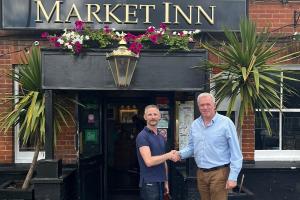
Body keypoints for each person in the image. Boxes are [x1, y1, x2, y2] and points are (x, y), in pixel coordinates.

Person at [174, 92, 243, 200]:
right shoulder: (195, 125)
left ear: (214, 105)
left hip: (219, 173)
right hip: (201, 173)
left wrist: (233, 177)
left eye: (208, 104)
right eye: (202, 105)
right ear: (198, 106)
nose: (205, 107)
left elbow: (236, 153)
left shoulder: (226, 123)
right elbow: (192, 147)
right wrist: (179, 154)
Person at [136, 105, 176, 200]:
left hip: (161, 182)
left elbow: (163, 161)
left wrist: (166, 181)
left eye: (155, 114)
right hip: (149, 183)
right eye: (149, 114)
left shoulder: (160, 137)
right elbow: (149, 161)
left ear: (159, 117)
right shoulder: (142, 136)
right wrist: (168, 155)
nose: (153, 117)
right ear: (145, 117)